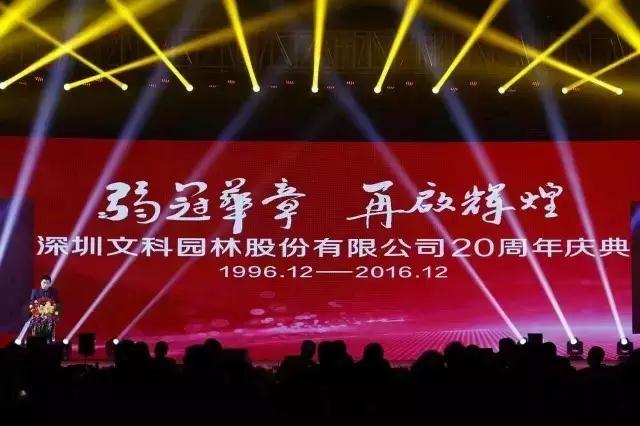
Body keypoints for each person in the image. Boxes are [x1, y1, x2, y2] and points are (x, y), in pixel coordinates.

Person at [28, 275, 60, 342]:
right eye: (44, 282)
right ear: (41, 282)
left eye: (47, 283)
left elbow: (57, 303)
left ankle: (48, 344)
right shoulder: (35, 291)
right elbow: (31, 302)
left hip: (49, 316)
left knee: (49, 336)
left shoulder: (54, 291)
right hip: (38, 317)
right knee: (37, 335)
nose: (45, 285)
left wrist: (55, 313)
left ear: (50, 283)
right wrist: (34, 311)